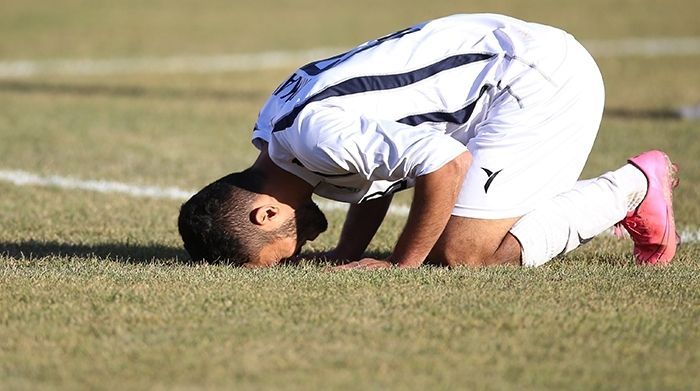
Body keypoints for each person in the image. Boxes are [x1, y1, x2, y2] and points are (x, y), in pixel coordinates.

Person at [177, 13, 679, 269]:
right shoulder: (278, 136)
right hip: (508, 66)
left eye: (284, 252)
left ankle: (635, 185)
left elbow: (444, 164)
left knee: (463, 254)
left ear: (265, 215)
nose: (301, 247)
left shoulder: (313, 139)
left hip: (534, 79)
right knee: (451, 239)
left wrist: (400, 266)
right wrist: (349, 253)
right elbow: (379, 174)